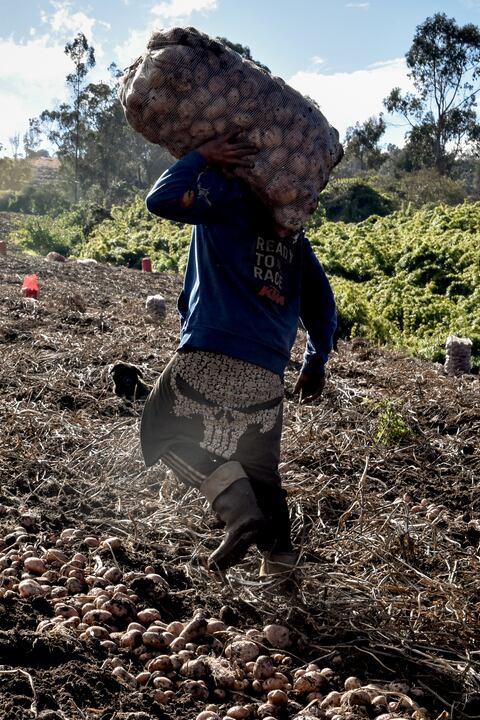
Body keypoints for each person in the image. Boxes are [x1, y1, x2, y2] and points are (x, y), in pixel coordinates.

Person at [139, 135, 337, 576]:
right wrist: (315, 360)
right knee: (263, 472)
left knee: (159, 431)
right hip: (267, 374)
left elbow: (162, 198)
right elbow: (323, 308)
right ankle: (282, 566)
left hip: (208, 354)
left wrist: (200, 155)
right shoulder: (296, 243)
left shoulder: (224, 201)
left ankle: (236, 509)